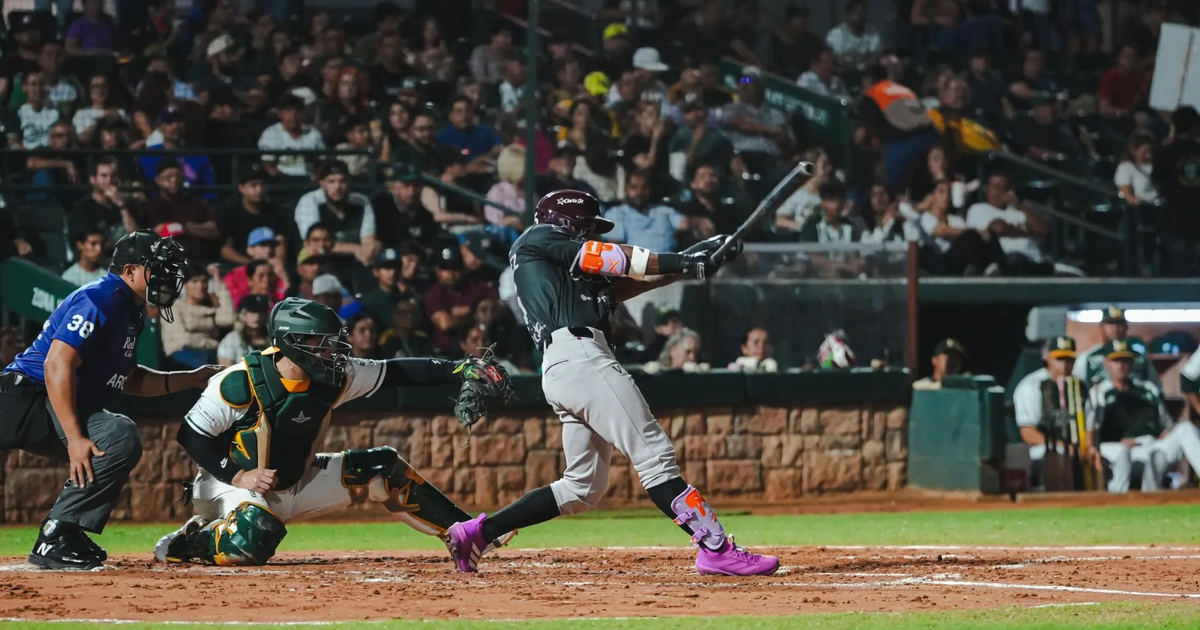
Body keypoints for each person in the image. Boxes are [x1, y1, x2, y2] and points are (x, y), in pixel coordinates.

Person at [444, 190, 778, 576]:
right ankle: (716, 548)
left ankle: (477, 534)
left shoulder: (562, 268)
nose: (592, 235)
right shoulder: (538, 238)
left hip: (566, 365)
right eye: (587, 228)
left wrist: (696, 260)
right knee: (655, 456)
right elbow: (616, 260)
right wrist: (685, 259)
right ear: (567, 222)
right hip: (582, 357)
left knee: (582, 486)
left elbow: (621, 286)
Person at [152, 297, 515, 565]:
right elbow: (191, 434)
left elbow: (398, 371)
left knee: (384, 467)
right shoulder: (240, 381)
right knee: (254, 536)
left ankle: (470, 532)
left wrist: (459, 368)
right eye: (321, 343)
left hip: (293, 482)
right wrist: (240, 474)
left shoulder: (335, 377)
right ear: (293, 343)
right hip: (226, 484)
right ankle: (189, 541)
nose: (334, 351)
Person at [0, 231, 214, 570]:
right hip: (24, 398)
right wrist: (74, 439)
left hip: (42, 400)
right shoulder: (101, 298)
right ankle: (56, 535)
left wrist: (192, 378)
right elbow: (56, 364)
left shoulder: (129, 308)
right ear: (130, 271)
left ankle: (66, 531)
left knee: (114, 438)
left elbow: (129, 378)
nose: (167, 277)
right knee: (115, 435)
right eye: (157, 269)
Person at [1087, 340, 1200, 493]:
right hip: (1117, 450)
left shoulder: (1148, 389)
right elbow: (1093, 429)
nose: (1121, 366)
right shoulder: (1099, 392)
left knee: (1185, 429)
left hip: (1149, 447)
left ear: (1133, 363)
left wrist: (1166, 433)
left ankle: (1151, 498)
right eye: (1116, 361)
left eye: (1126, 360)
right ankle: (1115, 499)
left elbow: (1167, 425)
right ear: (1106, 363)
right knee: (1122, 453)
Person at [1012, 336, 1088, 487]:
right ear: (1047, 359)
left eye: (1069, 359)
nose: (1065, 364)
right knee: (1060, 455)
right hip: (1043, 448)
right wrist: (1063, 446)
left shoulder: (1081, 385)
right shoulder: (1031, 386)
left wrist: (1088, 447)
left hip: (1078, 446)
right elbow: (1028, 433)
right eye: (1060, 359)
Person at [294, 160, 379, 267]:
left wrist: (368, 249)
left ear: (349, 182)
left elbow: (368, 240)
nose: (337, 187)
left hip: (355, 261)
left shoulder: (361, 202)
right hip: (320, 262)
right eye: (331, 181)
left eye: (342, 181)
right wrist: (355, 248)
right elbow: (315, 244)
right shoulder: (309, 201)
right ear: (322, 183)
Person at [964, 173, 1052, 276]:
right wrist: (1028, 232)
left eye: (1005, 188)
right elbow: (998, 229)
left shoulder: (1021, 210)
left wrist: (1018, 205)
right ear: (987, 190)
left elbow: (1045, 230)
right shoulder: (978, 209)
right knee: (1013, 259)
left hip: (1032, 261)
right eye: (996, 187)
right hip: (1004, 262)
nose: (1001, 192)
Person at [144, 159, 222, 266]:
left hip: (198, 261)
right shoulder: (151, 206)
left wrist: (184, 228)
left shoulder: (196, 203)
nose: (174, 180)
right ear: (158, 180)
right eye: (169, 177)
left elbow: (213, 229)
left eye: (178, 176)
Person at [1151, 107, 1200, 277]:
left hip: (1174, 216)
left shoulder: (1164, 152)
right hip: (1197, 215)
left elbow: (1157, 181)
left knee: (1178, 271)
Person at [424, 247, 498, 353]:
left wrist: (460, 313)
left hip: (483, 350)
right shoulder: (433, 294)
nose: (451, 273)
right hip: (446, 353)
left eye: (455, 268)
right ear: (437, 271)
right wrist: (473, 312)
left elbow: (496, 310)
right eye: (445, 268)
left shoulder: (478, 287)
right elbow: (445, 324)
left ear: (463, 268)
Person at [161, 265, 236, 368]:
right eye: (194, 282)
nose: (200, 286)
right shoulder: (173, 308)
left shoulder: (209, 308)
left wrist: (218, 283)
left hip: (210, 354)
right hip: (181, 357)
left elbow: (228, 319)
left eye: (204, 281)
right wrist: (214, 343)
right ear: (185, 284)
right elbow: (183, 339)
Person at [216, 165, 289, 266]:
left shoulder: (274, 213)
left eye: (262, 185)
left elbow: (280, 244)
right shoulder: (229, 213)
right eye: (254, 185)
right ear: (242, 188)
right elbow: (225, 250)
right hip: (238, 266)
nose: (259, 189)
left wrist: (277, 265)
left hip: (269, 267)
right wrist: (251, 265)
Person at [1073, 306, 1160, 388]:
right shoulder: (1087, 357)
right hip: (1099, 402)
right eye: (1110, 324)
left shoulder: (1140, 358)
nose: (1115, 329)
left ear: (1126, 327)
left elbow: (1155, 388)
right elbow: (1078, 388)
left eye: (1119, 324)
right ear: (1101, 327)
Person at [603, 172, 688, 252]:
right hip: (637, 265)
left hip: (671, 263)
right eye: (634, 187)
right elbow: (615, 250)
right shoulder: (616, 213)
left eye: (644, 188)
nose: (639, 192)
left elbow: (687, 224)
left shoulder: (664, 211)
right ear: (626, 190)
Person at [258, 94, 325, 179]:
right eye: (288, 111)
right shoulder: (271, 133)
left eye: (297, 111)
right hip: (283, 181)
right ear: (280, 114)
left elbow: (322, 160)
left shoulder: (313, 133)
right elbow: (268, 164)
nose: (293, 115)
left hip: (309, 179)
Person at [6, 71, 60, 149]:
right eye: (33, 84)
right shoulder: (15, 113)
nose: (38, 89)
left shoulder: (56, 112)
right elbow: (12, 143)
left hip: (52, 153)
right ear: (24, 87)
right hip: (26, 156)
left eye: (41, 84)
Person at [825, 0, 881, 73]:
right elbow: (835, 60)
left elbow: (875, 56)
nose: (860, 16)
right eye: (856, 12)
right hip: (843, 75)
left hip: (867, 74)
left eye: (862, 12)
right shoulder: (836, 34)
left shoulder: (872, 32)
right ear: (848, 14)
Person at [217, 294, 271, 366]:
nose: (257, 317)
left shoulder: (273, 338)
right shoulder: (231, 340)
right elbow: (225, 369)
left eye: (261, 312)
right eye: (252, 312)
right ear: (242, 314)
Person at [1114, 133, 1158, 206]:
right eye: (1145, 151)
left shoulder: (1153, 165)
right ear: (1133, 150)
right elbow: (1127, 196)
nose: (1149, 155)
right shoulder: (1125, 168)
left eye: (1150, 151)